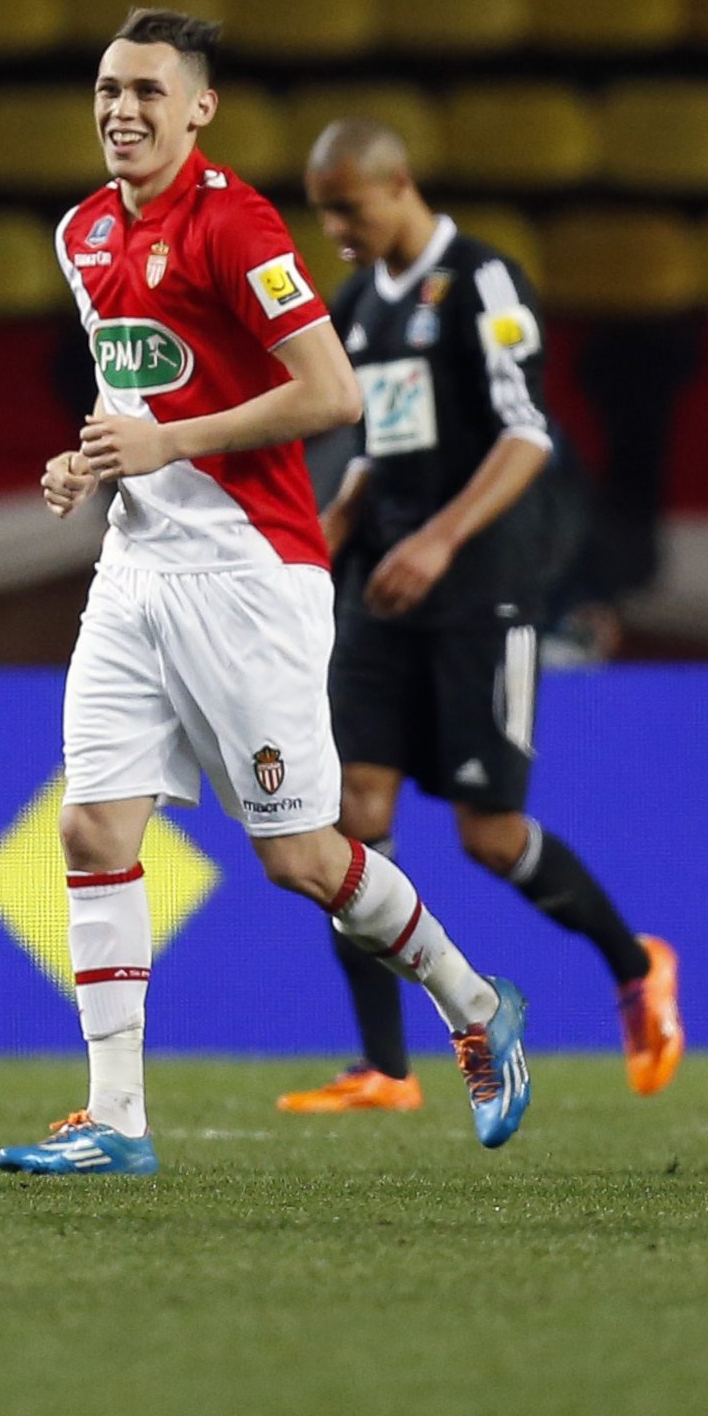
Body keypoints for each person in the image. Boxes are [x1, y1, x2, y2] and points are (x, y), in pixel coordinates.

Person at [0, 9, 530, 1178]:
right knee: (92, 825)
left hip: (250, 571)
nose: (121, 110)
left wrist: (167, 442)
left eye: (147, 90)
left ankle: (474, 999)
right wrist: (89, 457)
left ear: (199, 108)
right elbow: (134, 394)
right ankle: (117, 1118)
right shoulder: (83, 231)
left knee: (300, 858)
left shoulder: (235, 224)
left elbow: (332, 394)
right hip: (136, 568)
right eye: (106, 88)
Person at [280, 119, 683, 1115]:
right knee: (353, 817)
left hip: (480, 587)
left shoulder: (484, 284)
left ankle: (637, 965)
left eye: (349, 207)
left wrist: (441, 539)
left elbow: (528, 434)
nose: (334, 228)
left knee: (489, 834)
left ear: (399, 184)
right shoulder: (358, 305)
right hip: (383, 586)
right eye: (323, 209)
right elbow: (384, 439)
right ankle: (385, 1065)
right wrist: (337, 524)